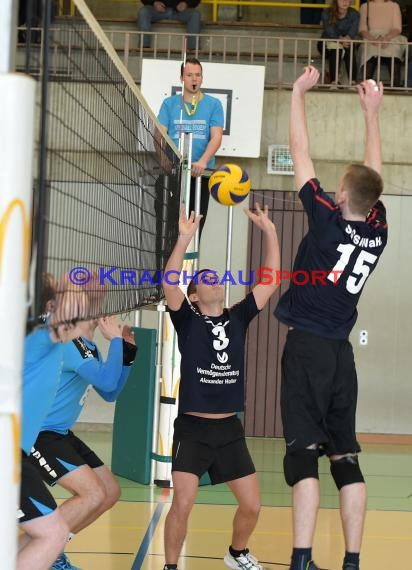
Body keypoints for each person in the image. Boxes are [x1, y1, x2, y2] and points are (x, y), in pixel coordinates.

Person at [274, 66, 387, 570]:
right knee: (346, 459)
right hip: (343, 357)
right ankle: (351, 563)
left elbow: (299, 154)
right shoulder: (378, 230)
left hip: (307, 350)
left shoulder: (326, 224)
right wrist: (372, 114)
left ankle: (301, 559)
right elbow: (373, 179)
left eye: (338, 188)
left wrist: (298, 93)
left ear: (340, 198)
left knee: (303, 457)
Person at [162, 203, 280, 570]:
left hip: (229, 429)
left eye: (217, 278)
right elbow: (169, 282)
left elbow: (271, 280)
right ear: (195, 295)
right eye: (207, 279)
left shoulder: (238, 317)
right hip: (194, 429)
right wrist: (183, 240)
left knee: (252, 505)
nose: (216, 281)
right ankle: (169, 565)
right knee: (183, 502)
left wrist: (271, 232)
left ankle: (237, 553)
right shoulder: (187, 319)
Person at [29, 316, 137, 570]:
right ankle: (36, 551)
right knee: (92, 493)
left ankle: (51, 552)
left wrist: (127, 355)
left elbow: (110, 392)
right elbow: (108, 382)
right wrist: (117, 341)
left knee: (109, 492)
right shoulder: (69, 343)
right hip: (39, 433)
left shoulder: (91, 347)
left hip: (61, 433)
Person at [18, 277, 87, 570]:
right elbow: (76, 321)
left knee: (48, 531)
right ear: (49, 306)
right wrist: (73, 285)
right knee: (53, 533)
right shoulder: (38, 335)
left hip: (14, 453)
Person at [157, 57, 224, 240]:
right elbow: (159, 135)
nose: (194, 79)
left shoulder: (214, 104)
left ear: (202, 78)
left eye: (198, 75)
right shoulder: (169, 104)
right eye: (189, 75)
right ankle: (167, 269)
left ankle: (189, 268)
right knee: (168, 233)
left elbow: (217, 136)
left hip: (200, 178)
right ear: (181, 78)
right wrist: (165, 163)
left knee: (193, 232)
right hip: (174, 176)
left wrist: (202, 161)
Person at [358, 0, 407, 87]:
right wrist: (373, 40)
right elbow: (362, 29)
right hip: (371, 36)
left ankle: (396, 85)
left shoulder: (394, 6)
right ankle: (367, 86)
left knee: (394, 49)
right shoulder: (365, 6)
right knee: (368, 49)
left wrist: (387, 38)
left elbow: (397, 28)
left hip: (392, 36)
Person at [318, 0, 360, 86]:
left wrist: (346, 39)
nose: (345, 2)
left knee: (349, 48)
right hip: (327, 43)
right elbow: (330, 32)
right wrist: (341, 40)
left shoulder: (354, 14)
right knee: (336, 48)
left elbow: (353, 31)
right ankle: (334, 82)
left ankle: (353, 82)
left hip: (346, 42)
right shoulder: (327, 13)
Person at [137, 0, 201, 50]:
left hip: (181, 11)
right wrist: (154, 2)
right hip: (157, 10)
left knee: (195, 14)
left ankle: (193, 51)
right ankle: (144, 48)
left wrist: (186, 3)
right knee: (143, 12)